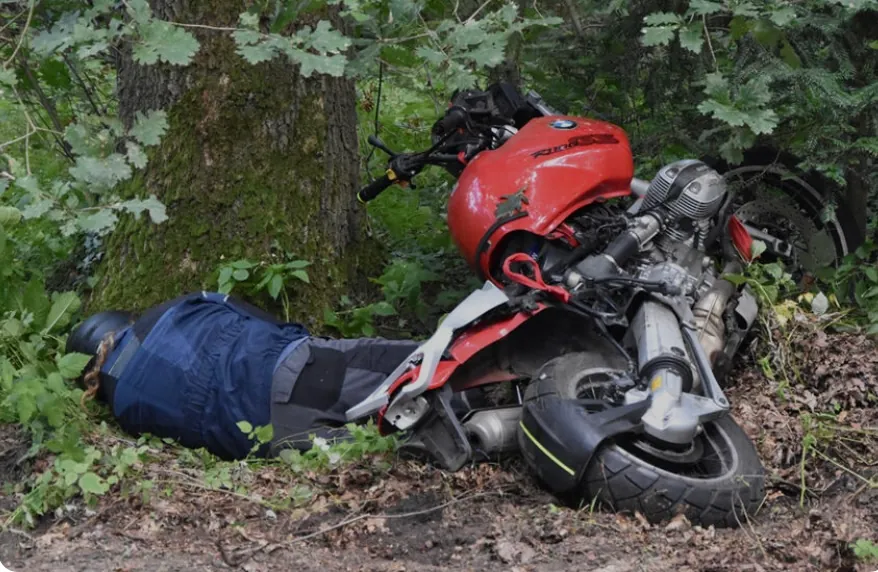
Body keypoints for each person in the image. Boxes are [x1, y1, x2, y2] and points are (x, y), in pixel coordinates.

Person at [68, 292, 418, 460]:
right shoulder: (171, 310)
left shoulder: (125, 411)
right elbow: (250, 315)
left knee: (403, 447)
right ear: (118, 325)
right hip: (298, 369)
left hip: (276, 437)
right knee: (438, 361)